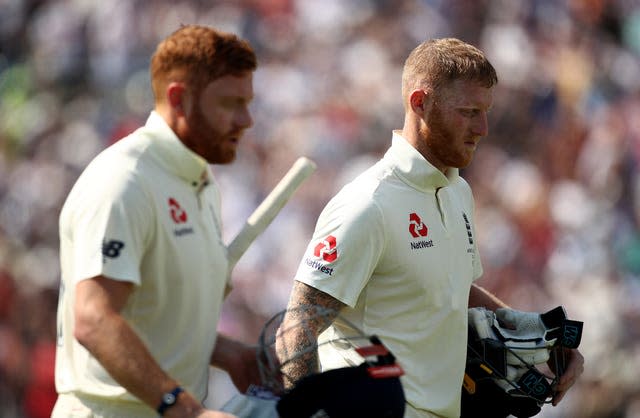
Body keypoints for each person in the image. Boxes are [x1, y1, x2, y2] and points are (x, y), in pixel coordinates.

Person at [276, 38, 584, 418]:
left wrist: (538, 334)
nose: (484, 128)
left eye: (485, 111)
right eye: (469, 111)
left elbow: (450, 287)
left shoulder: (457, 190)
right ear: (419, 102)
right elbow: (297, 329)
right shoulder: (368, 204)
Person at [52, 25, 260, 418]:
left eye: (247, 102)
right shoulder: (123, 182)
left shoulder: (199, 181)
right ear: (179, 98)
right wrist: (186, 410)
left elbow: (152, 317)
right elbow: (95, 320)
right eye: (231, 103)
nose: (246, 119)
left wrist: (229, 353)